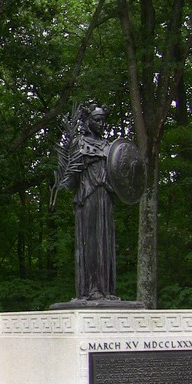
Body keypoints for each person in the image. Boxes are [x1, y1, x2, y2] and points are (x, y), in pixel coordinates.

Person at [58, 103, 118, 301]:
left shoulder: (110, 146)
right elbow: (69, 179)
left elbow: (119, 175)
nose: (101, 124)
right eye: (97, 120)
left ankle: (107, 290)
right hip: (88, 196)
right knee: (91, 242)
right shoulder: (79, 143)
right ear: (88, 121)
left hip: (106, 197)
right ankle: (90, 289)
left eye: (103, 120)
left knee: (106, 242)